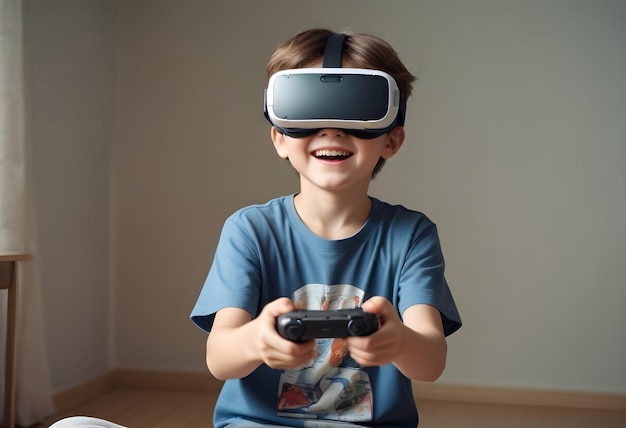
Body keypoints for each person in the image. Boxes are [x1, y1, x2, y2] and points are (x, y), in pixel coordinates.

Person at [190, 28, 462, 428]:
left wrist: (398, 341)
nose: (331, 129)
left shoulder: (410, 235)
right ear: (280, 138)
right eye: (308, 111)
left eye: (354, 113)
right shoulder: (249, 230)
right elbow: (219, 359)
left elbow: (431, 361)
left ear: (391, 140)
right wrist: (258, 339)